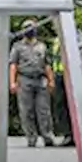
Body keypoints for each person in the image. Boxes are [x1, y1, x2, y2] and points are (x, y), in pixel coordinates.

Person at [9, 19, 57, 147]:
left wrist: (51, 80)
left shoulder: (42, 46)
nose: (30, 30)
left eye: (32, 27)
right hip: (24, 79)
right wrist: (12, 82)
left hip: (41, 79)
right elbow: (13, 65)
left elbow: (47, 65)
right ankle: (31, 137)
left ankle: (47, 136)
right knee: (26, 110)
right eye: (27, 27)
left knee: (44, 110)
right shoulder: (17, 47)